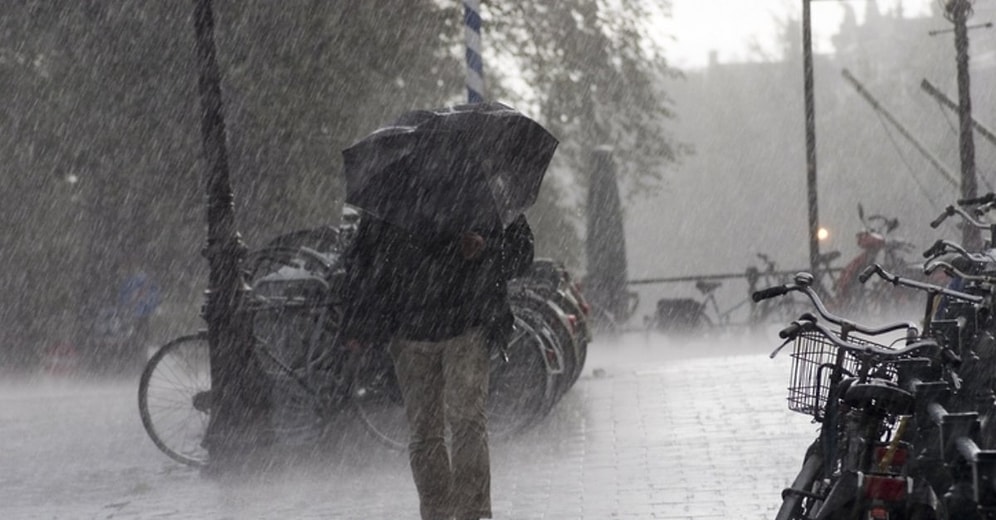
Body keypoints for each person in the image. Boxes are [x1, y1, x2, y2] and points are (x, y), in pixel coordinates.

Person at [340, 211, 534, 520]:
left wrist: (485, 249)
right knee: (430, 430)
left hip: (464, 325)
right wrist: (359, 322)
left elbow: (520, 252)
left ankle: (469, 512)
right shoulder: (396, 199)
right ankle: (441, 512)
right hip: (413, 330)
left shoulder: (478, 195)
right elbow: (365, 259)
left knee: (463, 423)